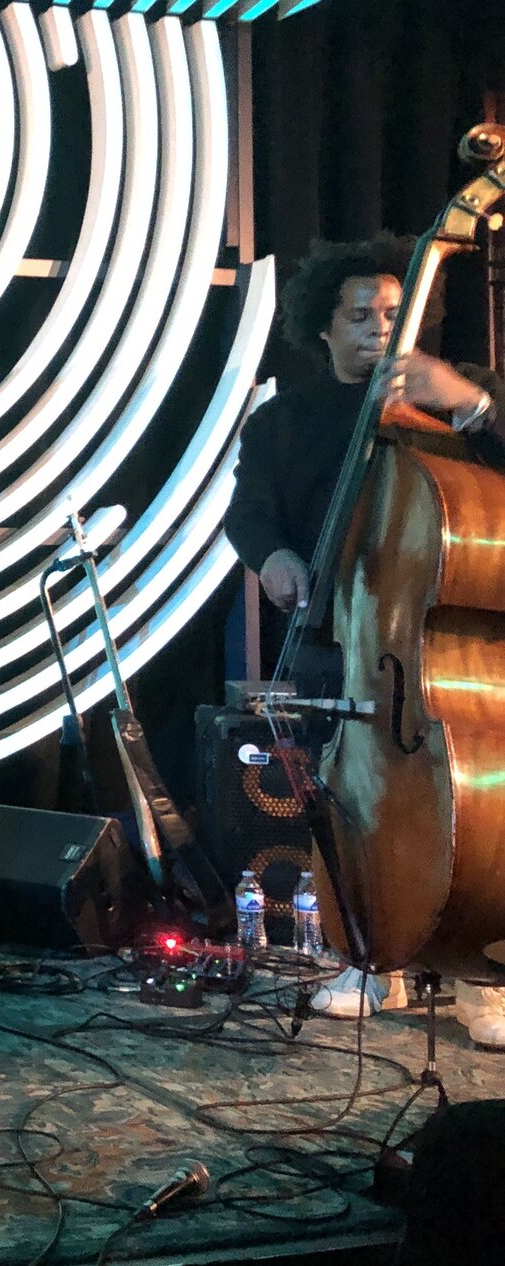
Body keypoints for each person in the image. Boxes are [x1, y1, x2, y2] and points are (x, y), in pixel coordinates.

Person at [223, 234, 505, 1044]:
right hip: (341, 636)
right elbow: (248, 514)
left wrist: (468, 402)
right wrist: (273, 557)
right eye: (359, 316)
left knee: (475, 809)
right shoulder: (285, 420)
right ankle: (371, 955)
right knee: (352, 807)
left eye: (390, 312)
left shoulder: (457, 398)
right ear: (324, 327)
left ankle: (478, 969)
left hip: (447, 644)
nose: (379, 327)